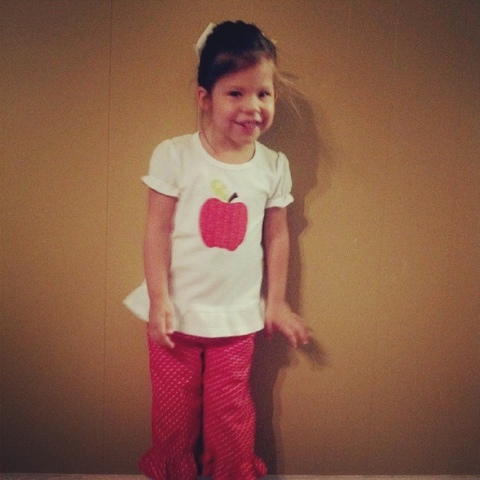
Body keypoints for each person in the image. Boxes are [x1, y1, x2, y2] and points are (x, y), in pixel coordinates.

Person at [124, 20, 310, 480]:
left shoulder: (273, 166)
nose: (253, 107)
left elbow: (277, 236)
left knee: (231, 413)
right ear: (204, 97)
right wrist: (159, 299)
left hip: (236, 317)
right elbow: (156, 231)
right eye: (236, 93)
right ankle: (174, 471)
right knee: (174, 414)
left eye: (263, 93)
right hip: (176, 313)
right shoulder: (174, 155)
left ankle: (231, 471)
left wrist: (276, 302)